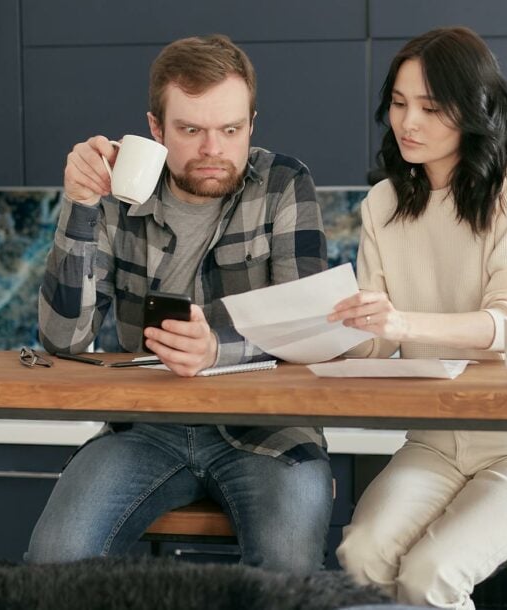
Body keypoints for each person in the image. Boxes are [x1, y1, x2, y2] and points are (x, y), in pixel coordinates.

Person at [27, 34, 333, 572]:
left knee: (289, 571)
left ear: (252, 125)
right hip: (145, 425)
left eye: (230, 130)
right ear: (156, 129)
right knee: (55, 561)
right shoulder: (118, 196)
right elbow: (62, 339)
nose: (213, 149)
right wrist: (78, 206)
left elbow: (307, 328)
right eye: (191, 130)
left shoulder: (285, 184)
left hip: (270, 427)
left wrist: (220, 349)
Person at [328, 27, 507, 608]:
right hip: (435, 440)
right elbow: (372, 343)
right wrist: (330, 328)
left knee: (432, 574)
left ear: (474, 109)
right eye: (398, 104)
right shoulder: (383, 203)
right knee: (361, 555)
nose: (408, 123)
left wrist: (401, 324)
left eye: (430, 107)